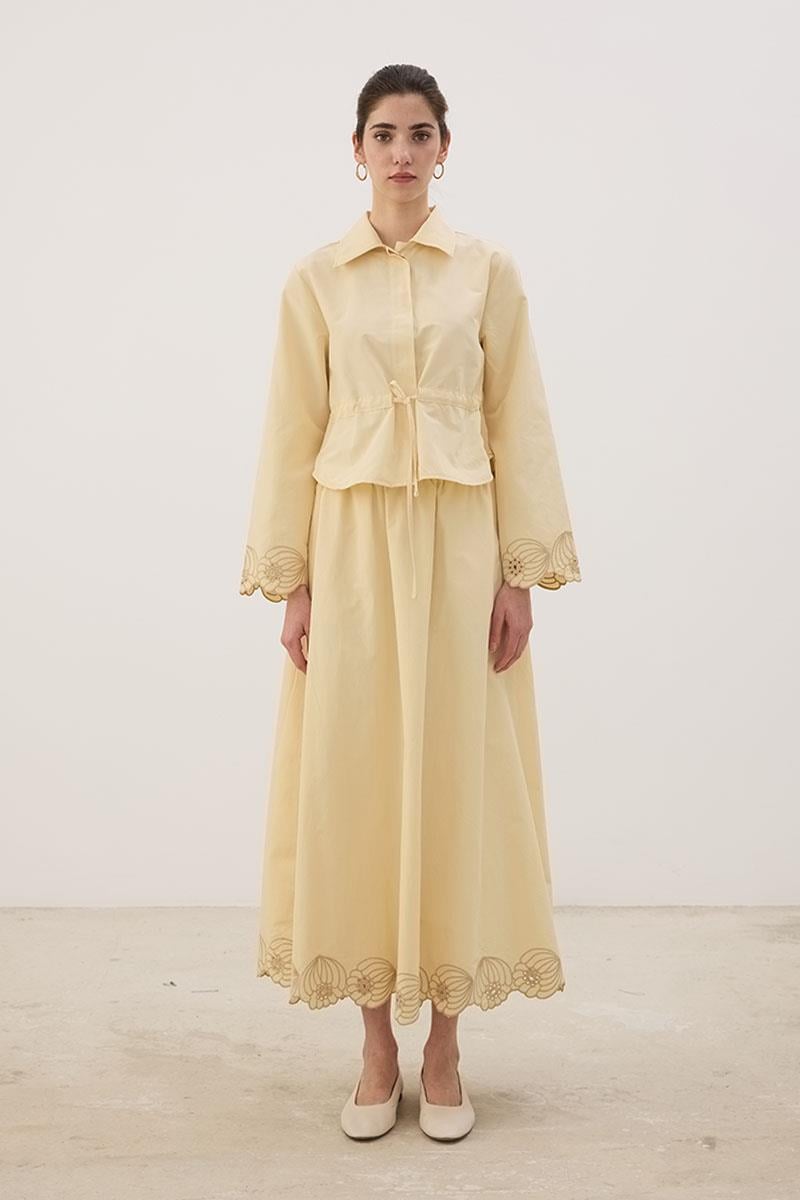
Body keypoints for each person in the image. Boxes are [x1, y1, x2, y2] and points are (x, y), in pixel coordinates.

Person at [239, 63, 582, 1142]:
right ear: (356, 149)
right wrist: (291, 581)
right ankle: (373, 1044)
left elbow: (518, 415)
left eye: (419, 132)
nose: (401, 151)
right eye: (383, 133)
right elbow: (289, 428)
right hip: (349, 555)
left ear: (444, 148)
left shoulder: (487, 272)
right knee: (355, 777)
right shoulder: (315, 281)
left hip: (461, 551)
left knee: (452, 773)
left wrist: (519, 573)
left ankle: (443, 1044)